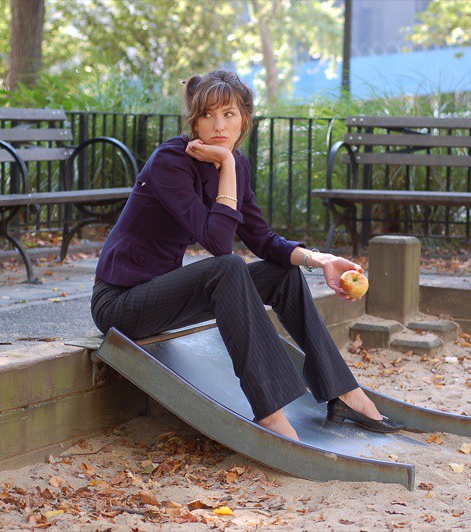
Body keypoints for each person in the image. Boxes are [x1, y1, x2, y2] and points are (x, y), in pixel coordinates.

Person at [91, 70, 402, 441]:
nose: (218, 125)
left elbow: (262, 238)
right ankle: (270, 412)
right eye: (207, 115)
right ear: (194, 122)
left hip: (163, 296)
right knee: (227, 267)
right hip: (121, 304)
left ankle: (343, 393)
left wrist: (320, 260)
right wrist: (226, 162)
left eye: (229, 114)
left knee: (282, 274)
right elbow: (219, 243)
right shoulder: (170, 162)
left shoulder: (236, 164)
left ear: (245, 120)